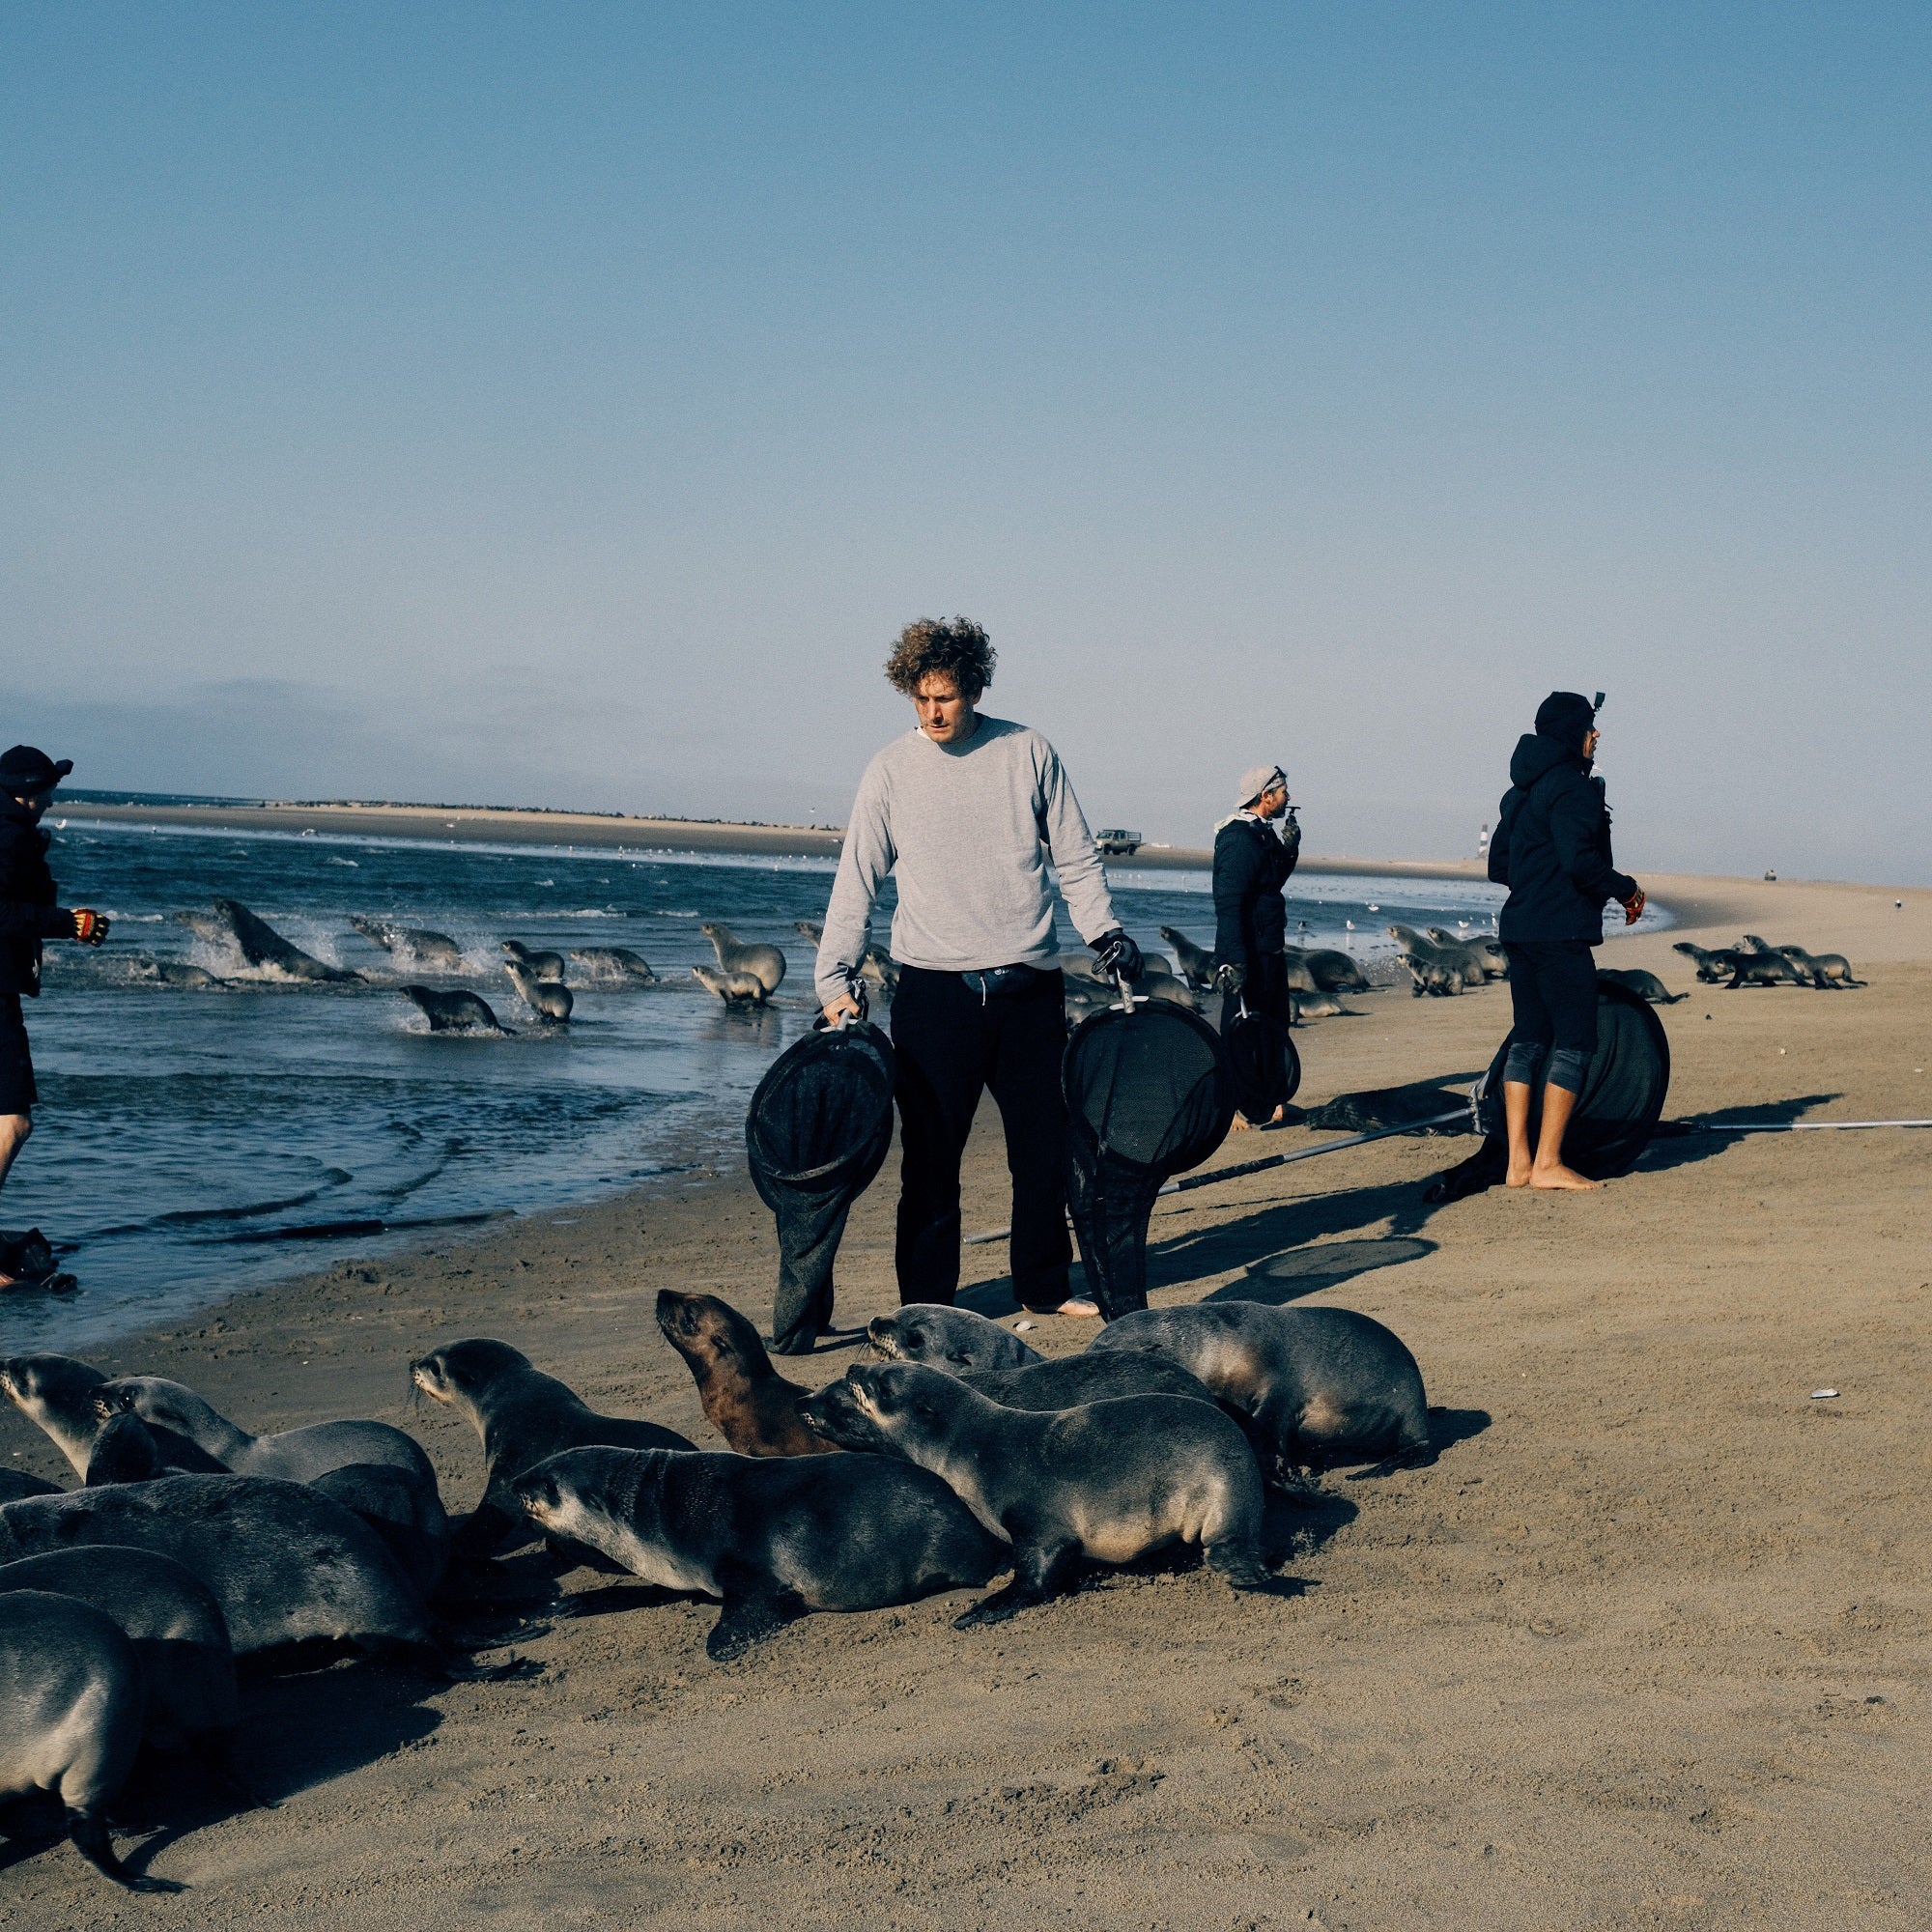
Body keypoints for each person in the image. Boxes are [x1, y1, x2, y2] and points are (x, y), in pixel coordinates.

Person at [815, 617, 1142, 1333]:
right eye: (921, 698)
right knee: (931, 1162)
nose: (934, 713)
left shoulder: (1028, 751)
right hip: (935, 996)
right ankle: (928, 1302)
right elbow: (857, 878)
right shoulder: (890, 771)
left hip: (1028, 987)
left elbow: (1078, 858)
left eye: (947, 698)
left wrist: (1106, 931)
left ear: (975, 689)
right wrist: (833, 978)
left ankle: (1043, 1286)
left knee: (1044, 1153)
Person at [1487, 692, 1644, 1191]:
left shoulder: (1519, 793)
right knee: (1576, 1041)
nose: (1597, 735)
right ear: (1570, 734)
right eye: (1589, 728)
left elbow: (1499, 867)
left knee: (1529, 1039)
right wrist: (1627, 889)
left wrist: (1537, 882)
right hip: (1560, 932)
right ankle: (1549, 1162)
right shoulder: (1574, 789)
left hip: (1519, 929)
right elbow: (1580, 861)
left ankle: (1518, 1162)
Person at [0, 745, 111, 1282]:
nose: (51, 798)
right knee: (14, 1122)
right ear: (26, 792)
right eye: (47, 790)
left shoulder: (10, 827)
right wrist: (70, 924)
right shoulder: (7, 834)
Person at [1211, 763, 1300, 1128]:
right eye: (1282, 792)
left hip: (1269, 948)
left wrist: (1290, 848)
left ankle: (1272, 1100)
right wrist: (1233, 961)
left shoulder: (1261, 835)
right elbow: (1229, 903)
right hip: (1246, 954)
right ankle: (1234, 1107)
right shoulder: (1237, 838)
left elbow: (1272, 881)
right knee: (1239, 1029)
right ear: (1265, 796)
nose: (1288, 798)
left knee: (1276, 1024)